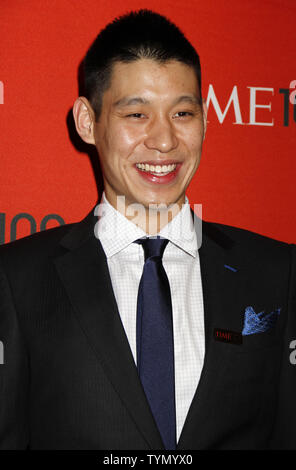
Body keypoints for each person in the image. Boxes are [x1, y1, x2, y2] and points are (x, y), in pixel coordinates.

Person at [0, 9, 295, 450]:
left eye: (182, 113)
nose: (163, 141)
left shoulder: (278, 272)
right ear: (87, 122)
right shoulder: (17, 279)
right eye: (136, 114)